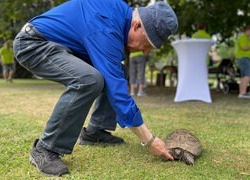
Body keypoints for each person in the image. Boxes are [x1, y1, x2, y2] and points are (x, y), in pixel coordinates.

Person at [13, 0, 177, 176]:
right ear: (136, 25)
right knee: (89, 80)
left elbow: (113, 75)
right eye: (146, 44)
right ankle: (45, 149)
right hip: (33, 43)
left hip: (62, 47)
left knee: (117, 71)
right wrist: (149, 140)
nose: (145, 52)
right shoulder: (106, 28)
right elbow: (117, 93)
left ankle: (95, 132)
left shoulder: (119, 15)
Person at [235, 25, 250, 99]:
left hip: (244, 58)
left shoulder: (248, 39)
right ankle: (243, 93)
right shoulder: (243, 38)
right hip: (244, 58)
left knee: (243, 76)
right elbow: (244, 47)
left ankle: (242, 93)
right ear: (247, 30)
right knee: (249, 74)